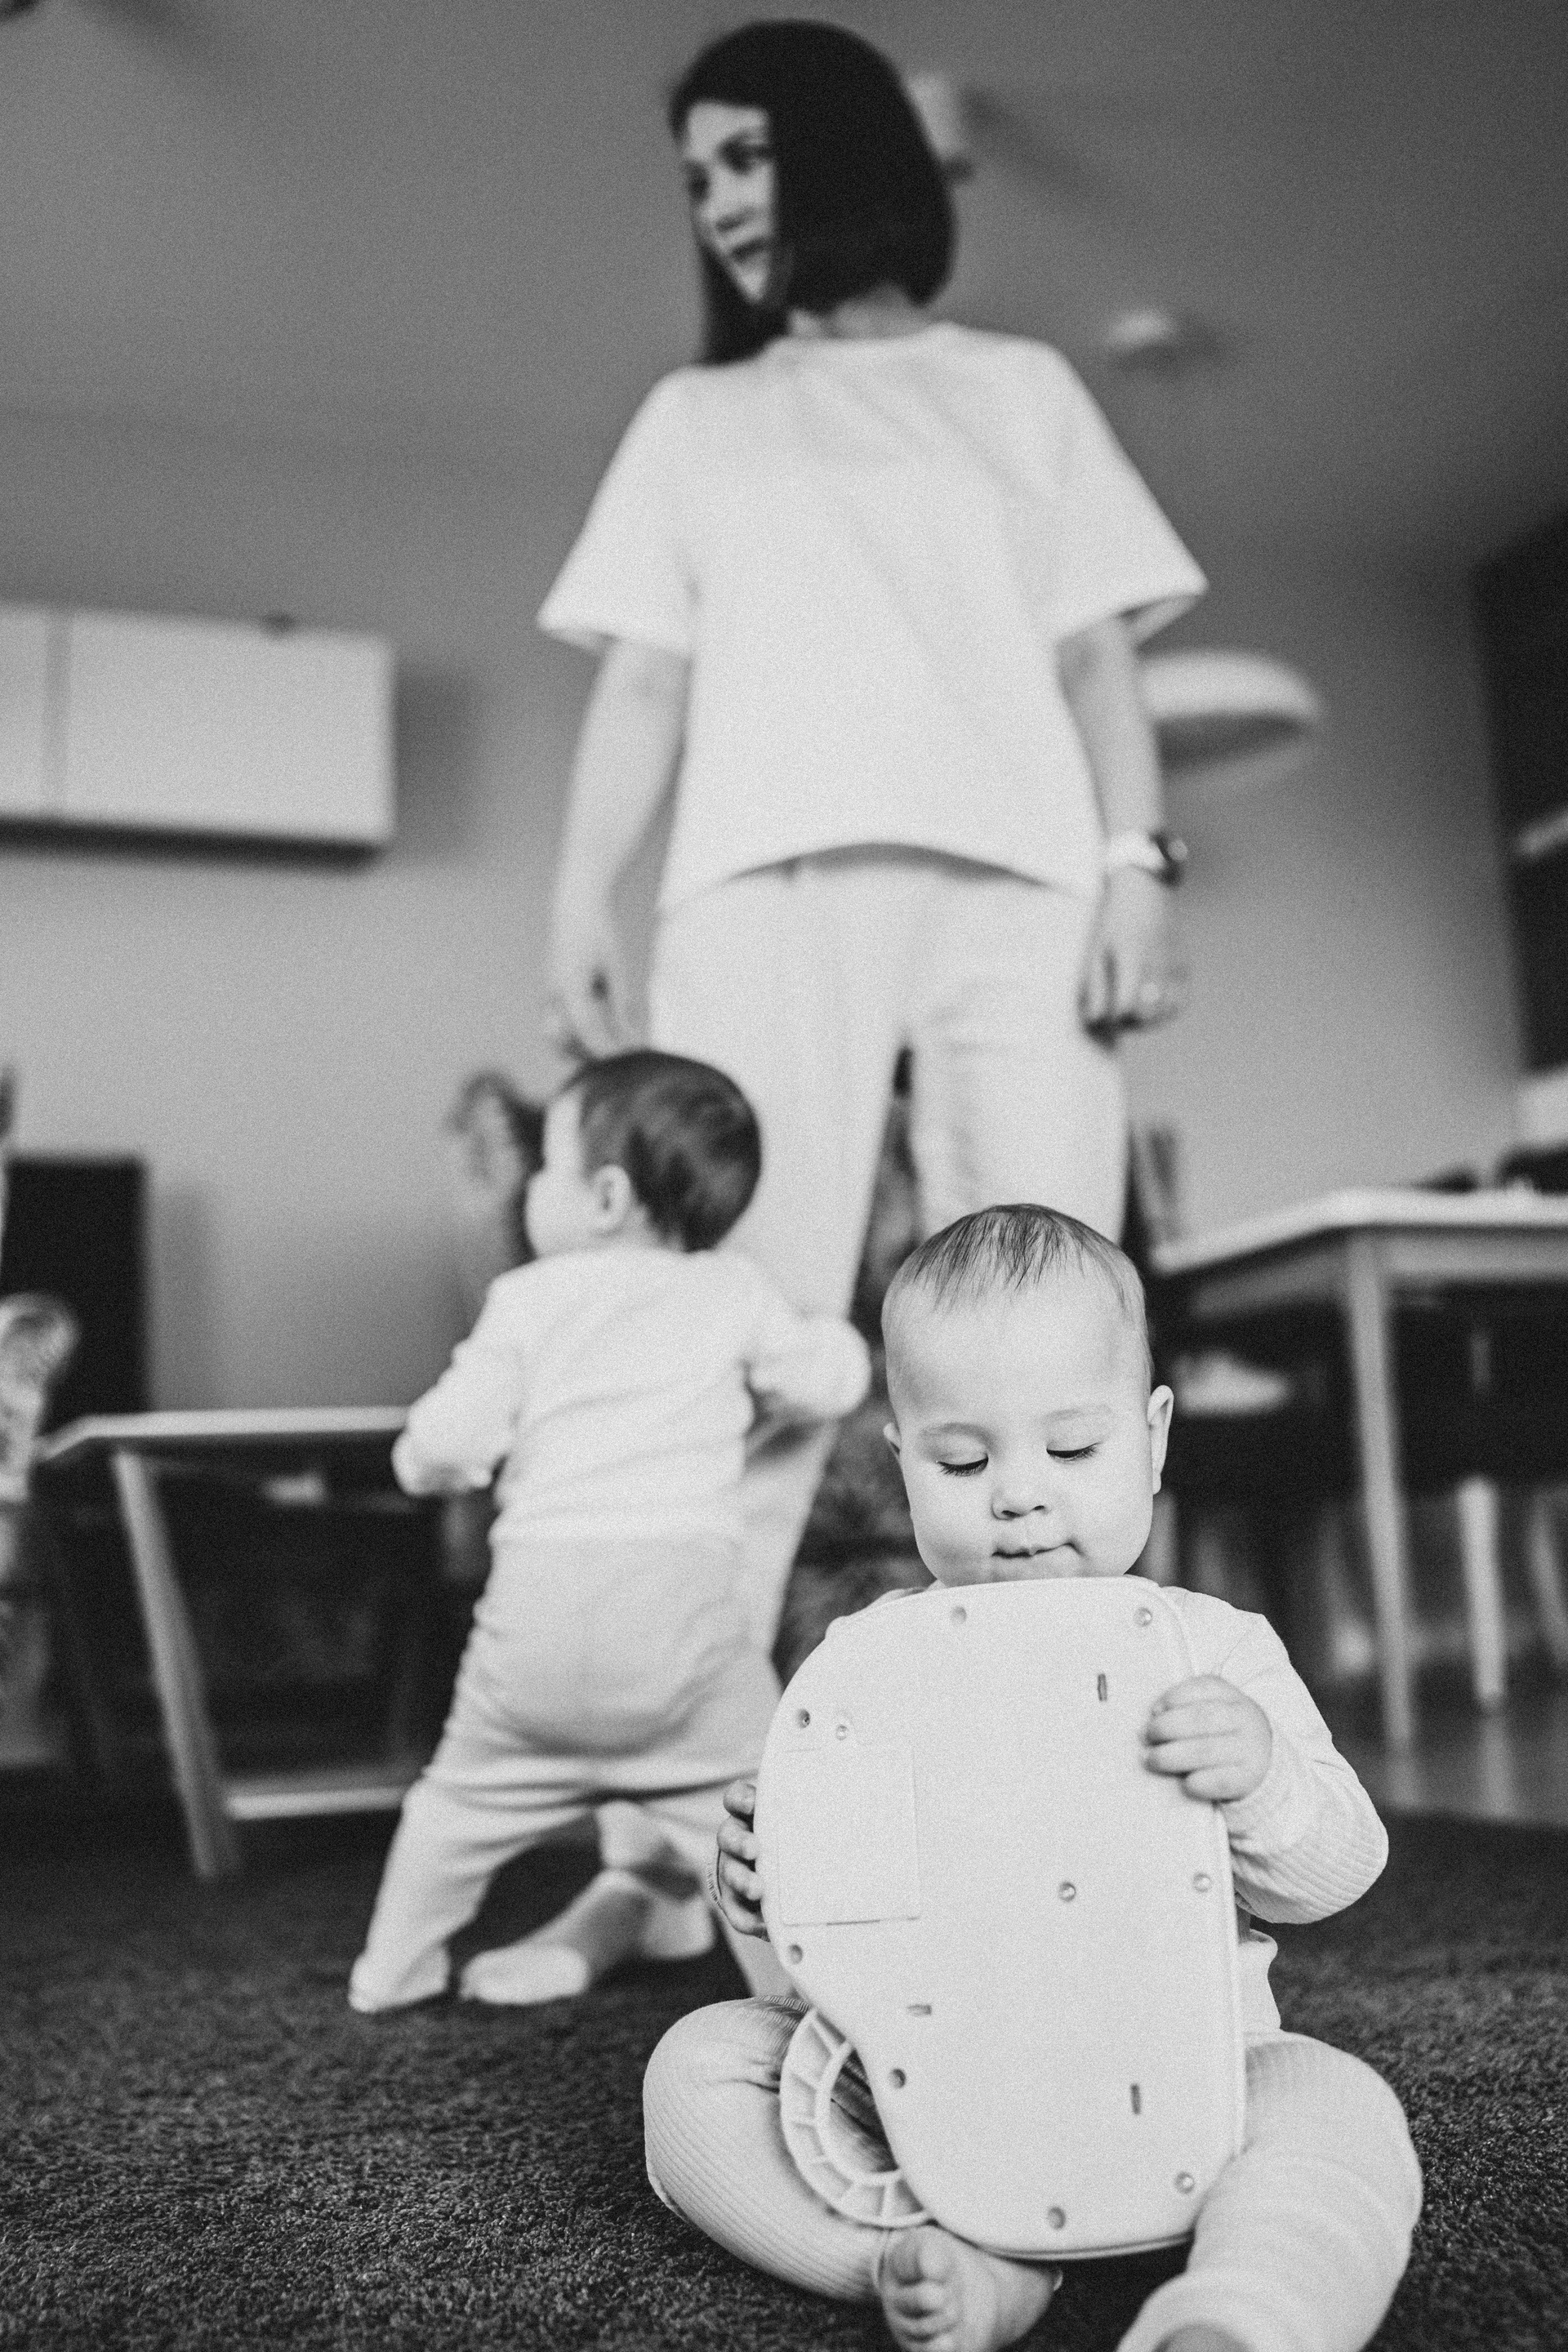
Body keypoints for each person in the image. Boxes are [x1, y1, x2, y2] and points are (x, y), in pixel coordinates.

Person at [540, 19, 1206, 1678]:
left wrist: (1137, 863)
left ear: (842, 152)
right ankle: (698, 1756)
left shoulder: (1020, 391)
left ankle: (1073, 1708)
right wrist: (576, 898)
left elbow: (1096, 659)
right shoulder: (699, 416)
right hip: (761, 889)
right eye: (695, 177)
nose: (717, 201)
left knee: (1046, 1313)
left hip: (1022, 889)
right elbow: (643, 679)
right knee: (742, 1324)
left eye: (745, 156)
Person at [643, 1205, 1423, 2352]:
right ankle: (931, 2254)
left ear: (1153, 1440)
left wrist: (1260, 1781)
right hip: (919, 2085)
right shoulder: (869, 1661)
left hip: (1197, 2070)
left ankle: (1242, 2316)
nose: (1017, 1495)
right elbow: (830, 1919)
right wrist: (763, 1879)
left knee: (1341, 2111)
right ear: (904, 1464)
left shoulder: (1208, 1647)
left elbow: (1336, 1874)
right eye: (963, 1460)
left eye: (1072, 1450)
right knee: (696, 2074)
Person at [348, 1051, 869, 2013]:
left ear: (606, 1197)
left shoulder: (526, 1299)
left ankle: (394, 1971)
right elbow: (823, 1380)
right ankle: (801, 1998)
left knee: (452, 1809)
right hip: (680, 1637)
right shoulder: (734, 1291)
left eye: (548, 1166)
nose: (533, 1190)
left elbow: (449, 1440)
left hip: (534, 1635)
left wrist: (421, 1463)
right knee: (767, 1810)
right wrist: (838, 1346)